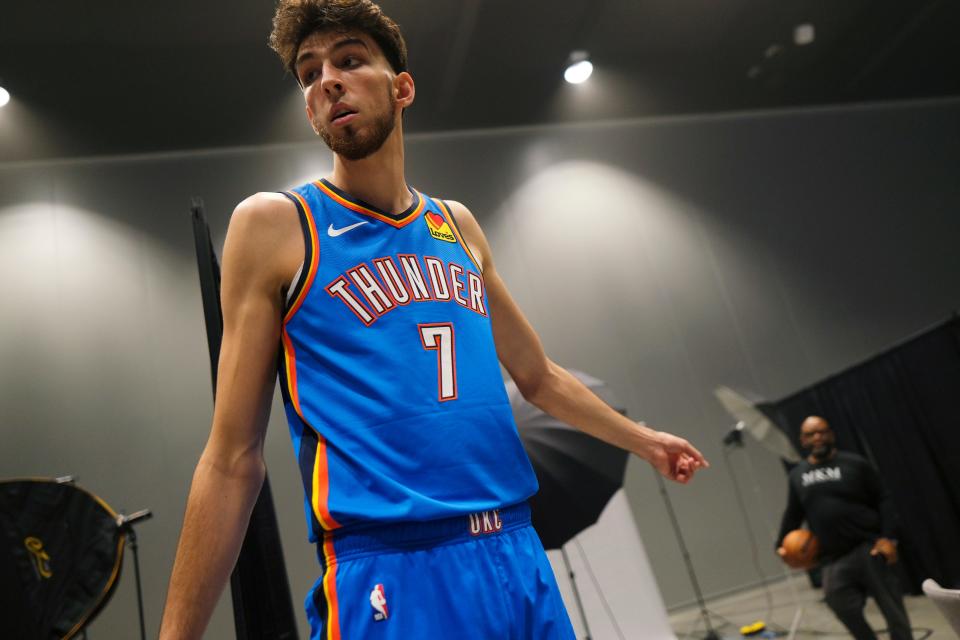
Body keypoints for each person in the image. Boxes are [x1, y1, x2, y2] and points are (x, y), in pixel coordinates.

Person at [159, 1, 708, 638]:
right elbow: (231, 458)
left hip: (516, 553)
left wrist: (643, 440)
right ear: (309, 109)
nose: (326, 80)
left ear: (403, 87)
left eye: (350, 60)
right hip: (392, 569)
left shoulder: (458, 225)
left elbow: (538, 377)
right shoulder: (276, 226)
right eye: (309, 73)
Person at [776, 416, 911, 640]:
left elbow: (883, 499)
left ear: (831, 434)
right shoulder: (797, 475)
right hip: (832, 556)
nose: (817, 437)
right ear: (802, 440)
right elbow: (793, 513)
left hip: (868, 547)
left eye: (822, 431)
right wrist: (780, 544)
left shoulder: (855, 463)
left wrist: (888, 538)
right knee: (838, 602)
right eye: (811, 434)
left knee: (893, 609)